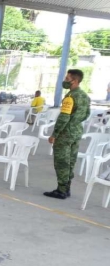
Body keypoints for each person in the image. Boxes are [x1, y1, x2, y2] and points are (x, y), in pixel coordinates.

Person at [44, 69, 91, 199]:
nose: (64, 81)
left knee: (62, 162)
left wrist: (54, 134)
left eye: (67, 78)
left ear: (74, 81)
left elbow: (64, 118)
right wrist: (75, 123)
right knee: (71, 162)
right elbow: (86, 114)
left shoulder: (70, 97)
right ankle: (67, 188)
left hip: (65, 134)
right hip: (76, 132)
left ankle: (61, 190)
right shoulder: (84, 96)